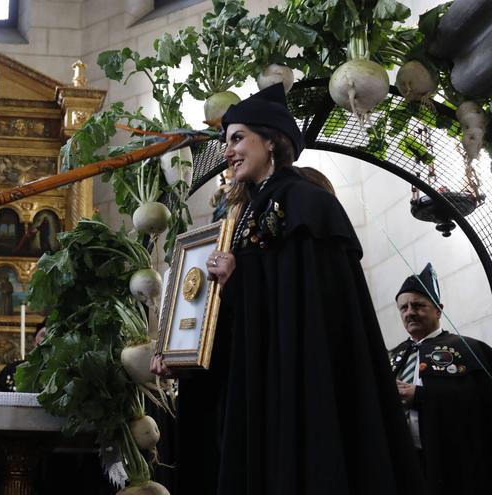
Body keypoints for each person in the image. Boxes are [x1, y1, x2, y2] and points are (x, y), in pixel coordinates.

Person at [200, 83, 423, 494]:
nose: (227, 151)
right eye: (225, 141)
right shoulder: (250, 210)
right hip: (264, 370)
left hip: (305, 369)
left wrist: (241, 276)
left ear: (270, 141)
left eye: (237, 139)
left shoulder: (306, 203)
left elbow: (312, 301)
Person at [389, 263, 492, 494]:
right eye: (403, 307)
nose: (409, 312)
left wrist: (421, 395)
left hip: (456, 465)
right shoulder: (391, 357)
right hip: (406, 466)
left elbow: (482, 400)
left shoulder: (469, 349)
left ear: (438, 309)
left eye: (418, 305)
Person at [0, 319, 46, 392]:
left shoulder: (64, 373)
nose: (47, 340)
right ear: (34, 341)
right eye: (43, 335)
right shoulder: (12, 370)